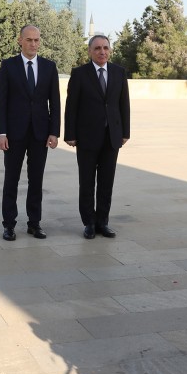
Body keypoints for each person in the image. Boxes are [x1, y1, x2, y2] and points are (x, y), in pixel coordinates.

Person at [0, 25, 60, 241]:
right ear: (20, 41)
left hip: (40, 133)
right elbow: (0, 102)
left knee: (36, 180)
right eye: (29, 40)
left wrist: (54, 132)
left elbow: (55, 103)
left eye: (37, 40)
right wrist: (1, 132)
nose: (33, 44)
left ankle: (34, 223)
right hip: (14, 133)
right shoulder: (8, 66)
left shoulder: (49, 67)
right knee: (11, 179)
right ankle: (9, 224)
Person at [64, 34, 130, 240]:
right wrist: (70, 134)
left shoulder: (119, 72)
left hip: (112, 137)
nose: (102, 52)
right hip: (86, 137)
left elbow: (123, 104)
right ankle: (89, 223)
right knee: (87, 182)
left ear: (110, 50)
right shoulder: (79, 74)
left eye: (105, 48)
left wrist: (125, 132)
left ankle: (103, 222)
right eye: (97, 48)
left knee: (106, 182)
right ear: (90, 51)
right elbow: (71, 106)